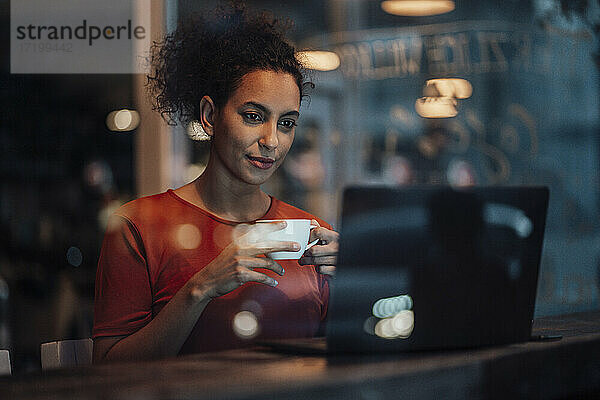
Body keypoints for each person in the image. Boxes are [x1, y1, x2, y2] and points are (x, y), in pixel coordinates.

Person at [91, 2, 339, 362]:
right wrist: (201, 288)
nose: (272, 140)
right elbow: (108, 369)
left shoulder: (315, 237)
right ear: (209, 116)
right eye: (253, 116)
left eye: (286, 123)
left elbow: (349, 362)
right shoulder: (138, 227)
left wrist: (358, 285)